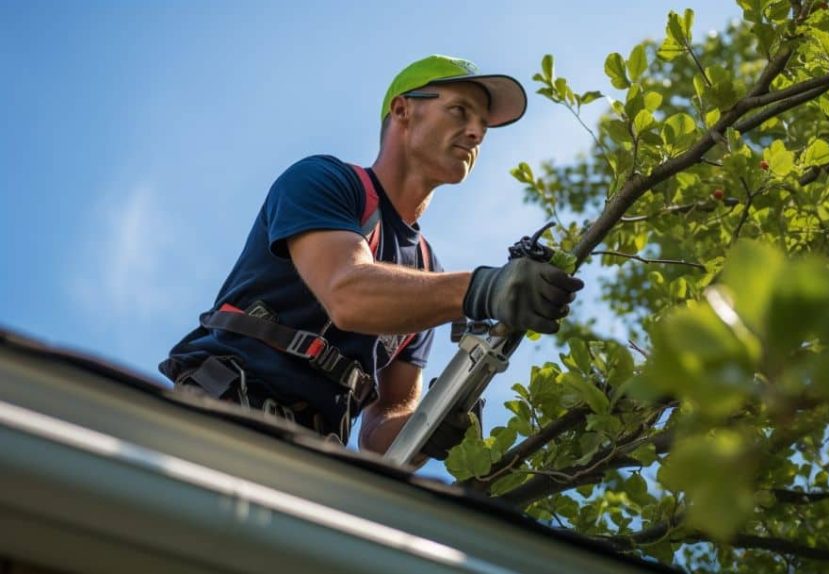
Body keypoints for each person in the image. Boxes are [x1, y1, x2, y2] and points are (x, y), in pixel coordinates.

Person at [159, 54, 584, 461]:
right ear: (403, 110)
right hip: (218, 421)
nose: (476, 133)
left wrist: (431, 424)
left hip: (309, 461)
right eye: (460, 111)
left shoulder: (423, 269)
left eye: (483, 127)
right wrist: (482, 287)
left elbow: (379, 432)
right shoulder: (327, 181)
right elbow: (350, 295)